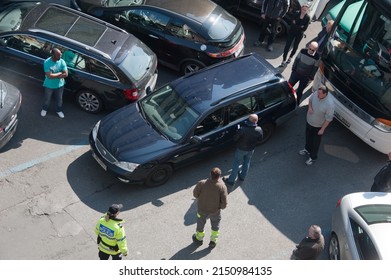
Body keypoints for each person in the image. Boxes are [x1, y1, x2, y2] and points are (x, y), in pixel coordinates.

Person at [299, 85, 334, 165]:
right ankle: (307, 149)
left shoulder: (330, 105)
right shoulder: (316, 93)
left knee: (315, 143)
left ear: (325, 94)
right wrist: (310, 108)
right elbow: (310, 100)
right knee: (308, 137)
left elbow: (328, 119)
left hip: (318, 127)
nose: (318, 95)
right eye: (317, 93)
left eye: (320, 94)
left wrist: (322, 129)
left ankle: (313, 157)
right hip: (309, 122)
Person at [192, 167, 228, 249]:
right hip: (215, 210)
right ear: (219, 176)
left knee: (200, 223)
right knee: (215, 224)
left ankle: (199, 238)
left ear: (210, 174)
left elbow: (195, 194)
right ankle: (213, 241)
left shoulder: (202, 183)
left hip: (202, 208)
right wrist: (220, 207)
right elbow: (224, 202)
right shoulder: (222, 187)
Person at [223, 114, 263, 186]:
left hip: (241, 149)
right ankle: (242, 177)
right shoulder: (259, 129)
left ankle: (231, 180)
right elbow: (260, 139)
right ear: (256, 121)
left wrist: (238, 131)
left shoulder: (242, 129)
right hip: (251, 149)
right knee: (247, 162)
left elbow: (235, 139)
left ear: (248, 120)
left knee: (236, 163)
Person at [41, 48, 68, 118]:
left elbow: (66, 74)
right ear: (53, 55)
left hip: (60, 85)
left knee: (59, 99)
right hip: (49, 85)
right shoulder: (47, 62)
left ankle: (58, 110)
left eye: (60, 54)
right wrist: (59, 73)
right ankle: (45, 109)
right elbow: (49, 76)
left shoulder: (62, 61)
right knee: (47, 98)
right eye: (58, 55)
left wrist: (54, 75)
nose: (60, 56)